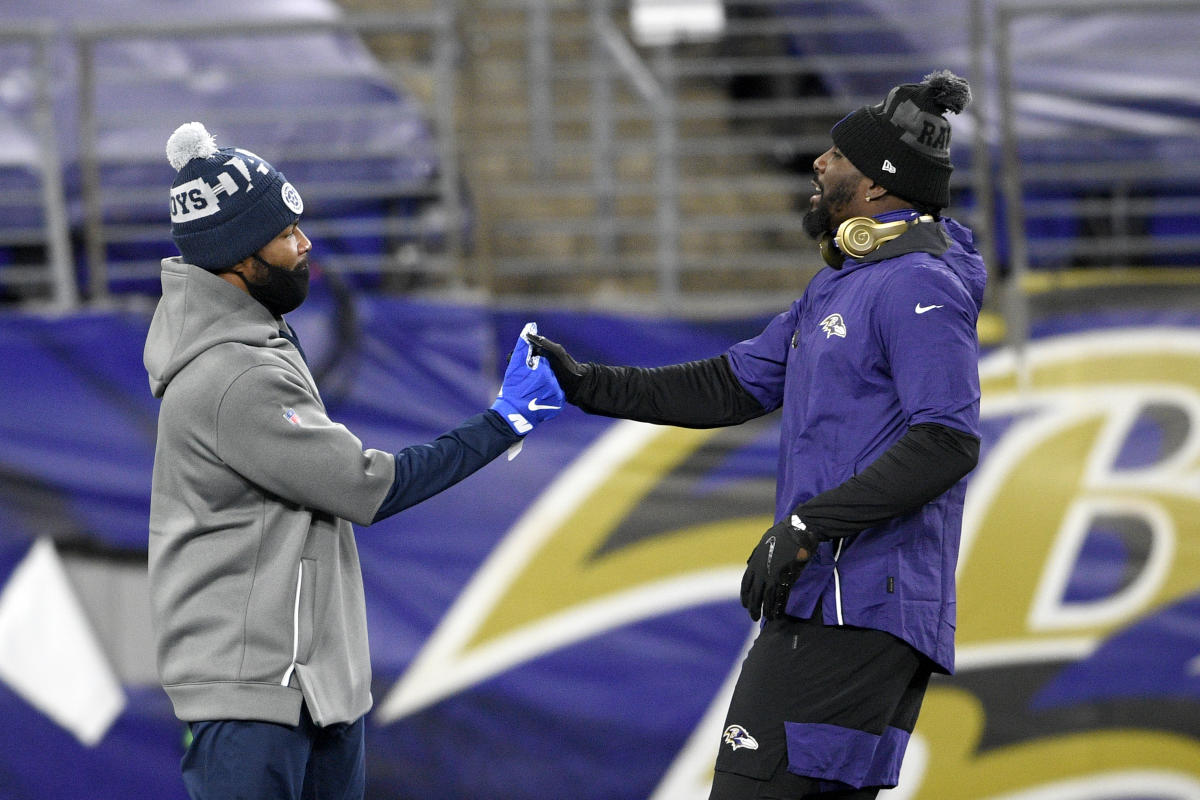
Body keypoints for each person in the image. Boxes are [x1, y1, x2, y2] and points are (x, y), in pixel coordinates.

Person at [529, 70, 985, 799]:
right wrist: (586, 384)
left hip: (857, 606)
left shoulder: (917, 284)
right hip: (836, 606)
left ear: (875, 187)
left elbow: (947, 441)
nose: (819, 163)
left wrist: (808, 525)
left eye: (837, 155)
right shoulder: (841, 285)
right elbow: (728, 385)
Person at [144, 121, 563, 800]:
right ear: (235, 259)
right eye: (283, 234)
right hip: (256, 696)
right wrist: (504, 421)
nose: (304, 244)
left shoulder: (255, 343)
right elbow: (371, 487)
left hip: (309, 688)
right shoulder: (233, 376)